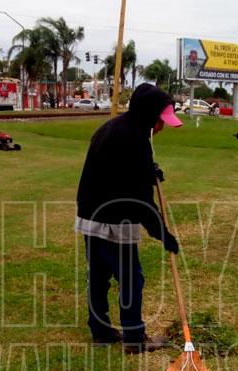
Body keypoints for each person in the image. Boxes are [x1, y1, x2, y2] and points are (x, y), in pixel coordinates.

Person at [75, 83, 183, 354]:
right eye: (160, 121)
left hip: (90, 215)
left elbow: (120, 171)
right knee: (131, 279)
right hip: (115, 220)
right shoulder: (136, 140)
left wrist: (148, 172)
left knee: (98, 275)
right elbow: (141, 201)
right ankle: (135, 338)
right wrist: (163, 235)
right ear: (149, 114)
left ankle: (100, 332)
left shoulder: (110, 128)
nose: (161, 127)